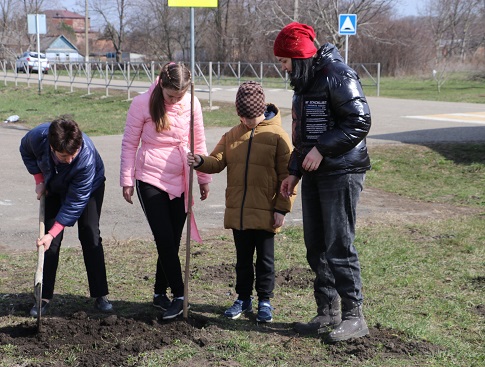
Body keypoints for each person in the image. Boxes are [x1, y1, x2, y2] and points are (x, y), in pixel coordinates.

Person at [273, 22, 372, 342]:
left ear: (299, 57)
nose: (283, 67)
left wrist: (322, 149)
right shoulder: (304, 81)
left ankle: (354, 316)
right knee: (315, 244)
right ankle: (327, 311)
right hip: (314, 172)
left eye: (285, 61)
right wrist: (294, 170)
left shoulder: (338, 74)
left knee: (338, 244)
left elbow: (360, 120)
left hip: (342, 172)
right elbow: (302, 133)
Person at [187, 81, 295, 323]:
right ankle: (243, 298)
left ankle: (265, 301)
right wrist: (200, 161)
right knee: (243, 261)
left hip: (267, 212)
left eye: (251, 117)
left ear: (262, 111)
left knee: (265, 261)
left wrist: (281, 209)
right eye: (243, 117)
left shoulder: (277, 136)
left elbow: (288, 177)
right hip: (240, 212)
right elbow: (216, 161)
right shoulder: (232, 135)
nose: (247, 122)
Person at [120, 62, 211, 320]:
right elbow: (129, 144)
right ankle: (180, 295)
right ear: (161, 84)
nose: (175, 99)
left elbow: (199, 141)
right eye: (171, 95)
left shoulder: (193, 104)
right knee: (163, 237)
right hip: (150, 177)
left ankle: (160, 293)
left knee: (172, 239)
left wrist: (203, 177)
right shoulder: (142, 103)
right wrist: (127, 179)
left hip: (181, 177)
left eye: (180, 95)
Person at [19, 117, 112, 316]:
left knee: (90, 234)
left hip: (89, 188)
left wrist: (52, 232)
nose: (69, 159)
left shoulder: (85, 157)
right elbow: (25, 150)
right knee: (49, 244)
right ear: (52, 147)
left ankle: (100, 294)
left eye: (73, 154)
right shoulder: (38, 137)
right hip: (53, 184)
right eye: (63, 156)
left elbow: (76, 202)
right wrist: (39, 179)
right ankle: (43, 296)